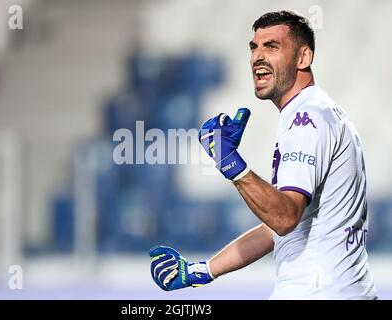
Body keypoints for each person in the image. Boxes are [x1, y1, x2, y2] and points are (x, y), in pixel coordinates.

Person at [149, 10, 378, 299]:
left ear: (303, 58)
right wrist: (203, 270)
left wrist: (229, 162)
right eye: (254, 47)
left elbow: (284, 218)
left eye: (272, 46)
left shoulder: (307, 118)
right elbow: (277, 228)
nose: (258, 56)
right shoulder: (317, 112)